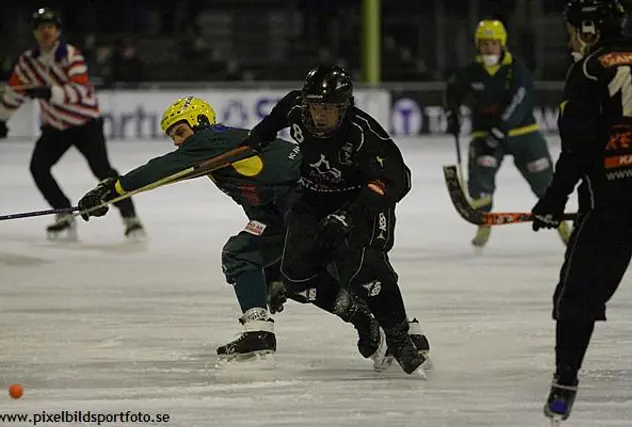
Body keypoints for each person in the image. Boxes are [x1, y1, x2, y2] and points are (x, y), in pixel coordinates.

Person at [76, 96, 389, 366]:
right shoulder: (222, 152)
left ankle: (260, 333)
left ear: (200, 123)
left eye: (180, 132)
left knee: (242, 255)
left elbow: (162, 169)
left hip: (305, 206)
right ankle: (388, 329)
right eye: (172, 136)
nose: (177, 142)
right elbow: (262, 199)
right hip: (306, 206)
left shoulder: (209, 140)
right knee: (302, 275)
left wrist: (111, 190)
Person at [242, 64, 430, 375]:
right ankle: (361, 318)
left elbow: (398, 180)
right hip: (314, 198)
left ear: (344, 107)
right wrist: (258, 136)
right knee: (296, 278)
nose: (319, 115)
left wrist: (349, 215)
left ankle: (400, 337)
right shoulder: (297, 109)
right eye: (315, 106)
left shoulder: (363, 134)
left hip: (362, 203)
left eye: (328, 108)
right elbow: (284, 108)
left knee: (362, 268)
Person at [531, 0, 630, 423]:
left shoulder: (589, 70)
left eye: (573, 30)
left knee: (576, 299)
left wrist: (553, 202)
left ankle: (564, 385)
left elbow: (577, 151)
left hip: (612, 205)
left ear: (589, 29)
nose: (570, 39)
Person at [0, 8, 145, 241]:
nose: (45, 32)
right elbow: (15, 93)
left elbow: (80, 91)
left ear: (58, 31)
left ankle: (130, 216)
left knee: (102, 170)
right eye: (41, 28)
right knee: (38, 168)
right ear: (35, 32)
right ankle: (63, 212)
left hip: (86, 125)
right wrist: (1, 120)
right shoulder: (27, 62)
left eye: (50, 27)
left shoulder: (71, 55)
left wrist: (47, 92)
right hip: (56, 128)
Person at [445, 19, 571, 248]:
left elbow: (520, 102)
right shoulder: (470, 71)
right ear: (478, 45)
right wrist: (452, 114)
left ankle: (561, 223)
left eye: (494, 43)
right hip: (485, 135)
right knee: (479, 181)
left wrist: (499, 131)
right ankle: (483, 222)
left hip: (523, 133)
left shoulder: (517, 70)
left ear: (502, 44)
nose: (489, 48)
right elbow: (452, 92)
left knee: (545, 183)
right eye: (484, 43)